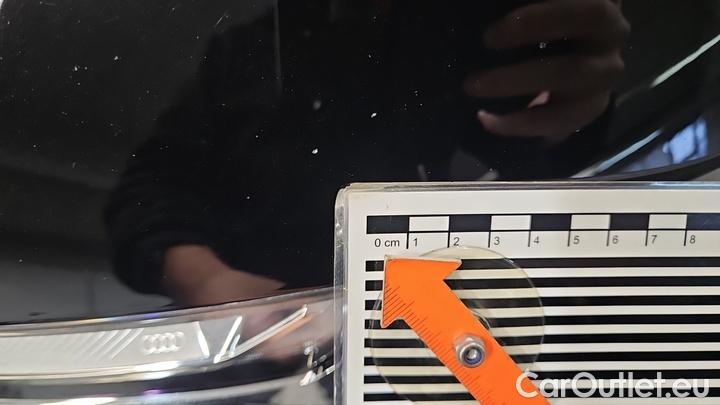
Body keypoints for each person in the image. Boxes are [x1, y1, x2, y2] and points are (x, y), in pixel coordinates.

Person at [105, 0, 630, 305]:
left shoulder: (473, 30)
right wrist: (210, 281)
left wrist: (575, 109)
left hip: (466, 321)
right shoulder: (247, 49)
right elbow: (150, 186)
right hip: (271, 339)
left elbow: (534, 173)